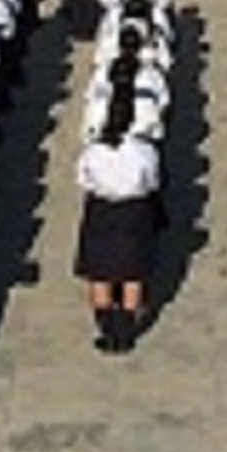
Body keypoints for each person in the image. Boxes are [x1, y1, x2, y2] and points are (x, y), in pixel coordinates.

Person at [73, 92, 164, 352]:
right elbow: (152, 183)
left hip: (101, 209)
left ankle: (107, 329)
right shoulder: (144, 151)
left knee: (99, 271)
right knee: (132, 272)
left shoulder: (93, 151)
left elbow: (83, 180)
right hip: (134, 211)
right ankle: (125, 333)